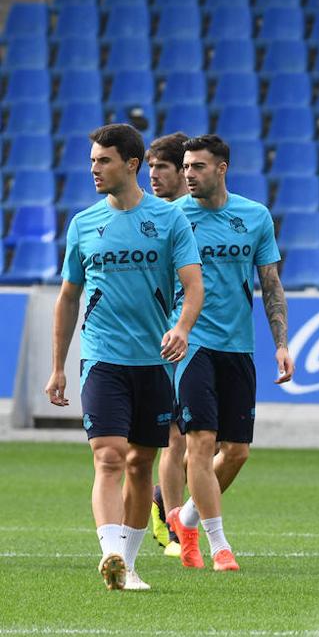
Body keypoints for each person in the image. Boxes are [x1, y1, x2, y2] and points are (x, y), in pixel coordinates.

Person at [45, 123, 203, 591]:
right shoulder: (83, 223)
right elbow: (68, 296)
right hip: (102, 358)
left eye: (104, 160)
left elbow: (193, 285)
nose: (94, 168)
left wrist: (181, 327)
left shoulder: (171, 220)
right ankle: (111, 551)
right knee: (110, 457)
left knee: (140, 464)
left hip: (154, 360)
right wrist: (58, 366)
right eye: (92, 160)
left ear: (130, 164)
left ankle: (128, 566)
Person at [165, 134, 293, 573]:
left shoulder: (254, 217)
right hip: (191, 344)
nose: (188, 174)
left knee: (237, 451)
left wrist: (281, 344)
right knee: (199, 441)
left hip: (238, 346)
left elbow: (271, 285)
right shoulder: (173, 217)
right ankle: (219, 545)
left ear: (221, 168)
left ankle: (185, 519)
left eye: (197, 167)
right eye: (185, 167)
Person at [144, 131, 191, 556]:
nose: (153, 175)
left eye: (162, 167)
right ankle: (176, 526)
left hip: (208, 337)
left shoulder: (196, 215)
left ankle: (163, 499)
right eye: (150, 166)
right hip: (164, 339)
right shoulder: (149, 217)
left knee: (214, 443)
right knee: (175, 436)